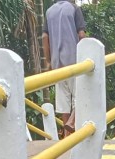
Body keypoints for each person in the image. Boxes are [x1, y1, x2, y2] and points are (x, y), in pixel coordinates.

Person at [42, 0, 86, 136]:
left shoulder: (49, 12)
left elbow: (44, 37)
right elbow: (81, 35)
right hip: (73, 60)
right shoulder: (74, 9)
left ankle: (67, 137)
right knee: (81, 94)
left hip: (57, 63)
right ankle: (72, 122)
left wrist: (48, 61)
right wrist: (84, 56)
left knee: (63, 101)